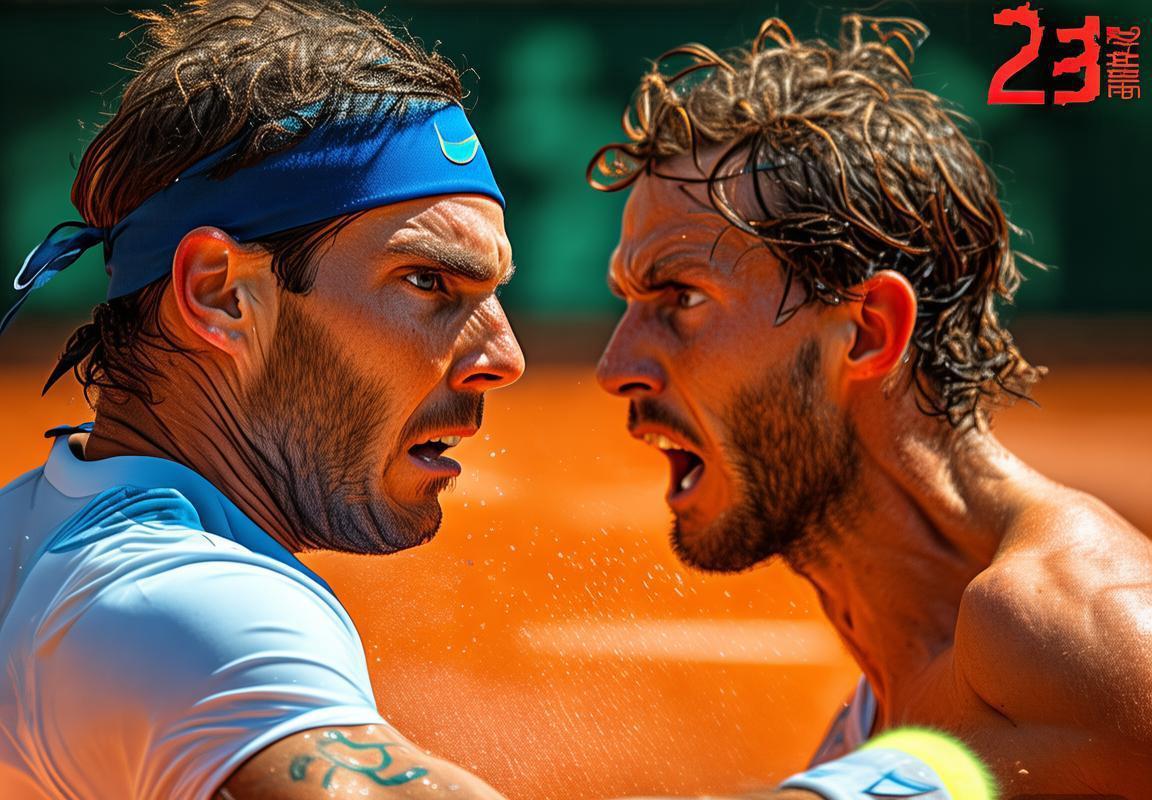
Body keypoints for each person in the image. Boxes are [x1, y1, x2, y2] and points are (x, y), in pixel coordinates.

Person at [591, 13, 1152, 799]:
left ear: (867, 332)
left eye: (681, 296)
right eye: (628, 301)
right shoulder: (901, 686)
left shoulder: (1078, 634)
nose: (615, 368)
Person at [0, 1, 523, 797]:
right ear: (220, 294)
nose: (505, 358)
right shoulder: (182, 612)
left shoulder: (31, 528)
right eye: (427, 281)